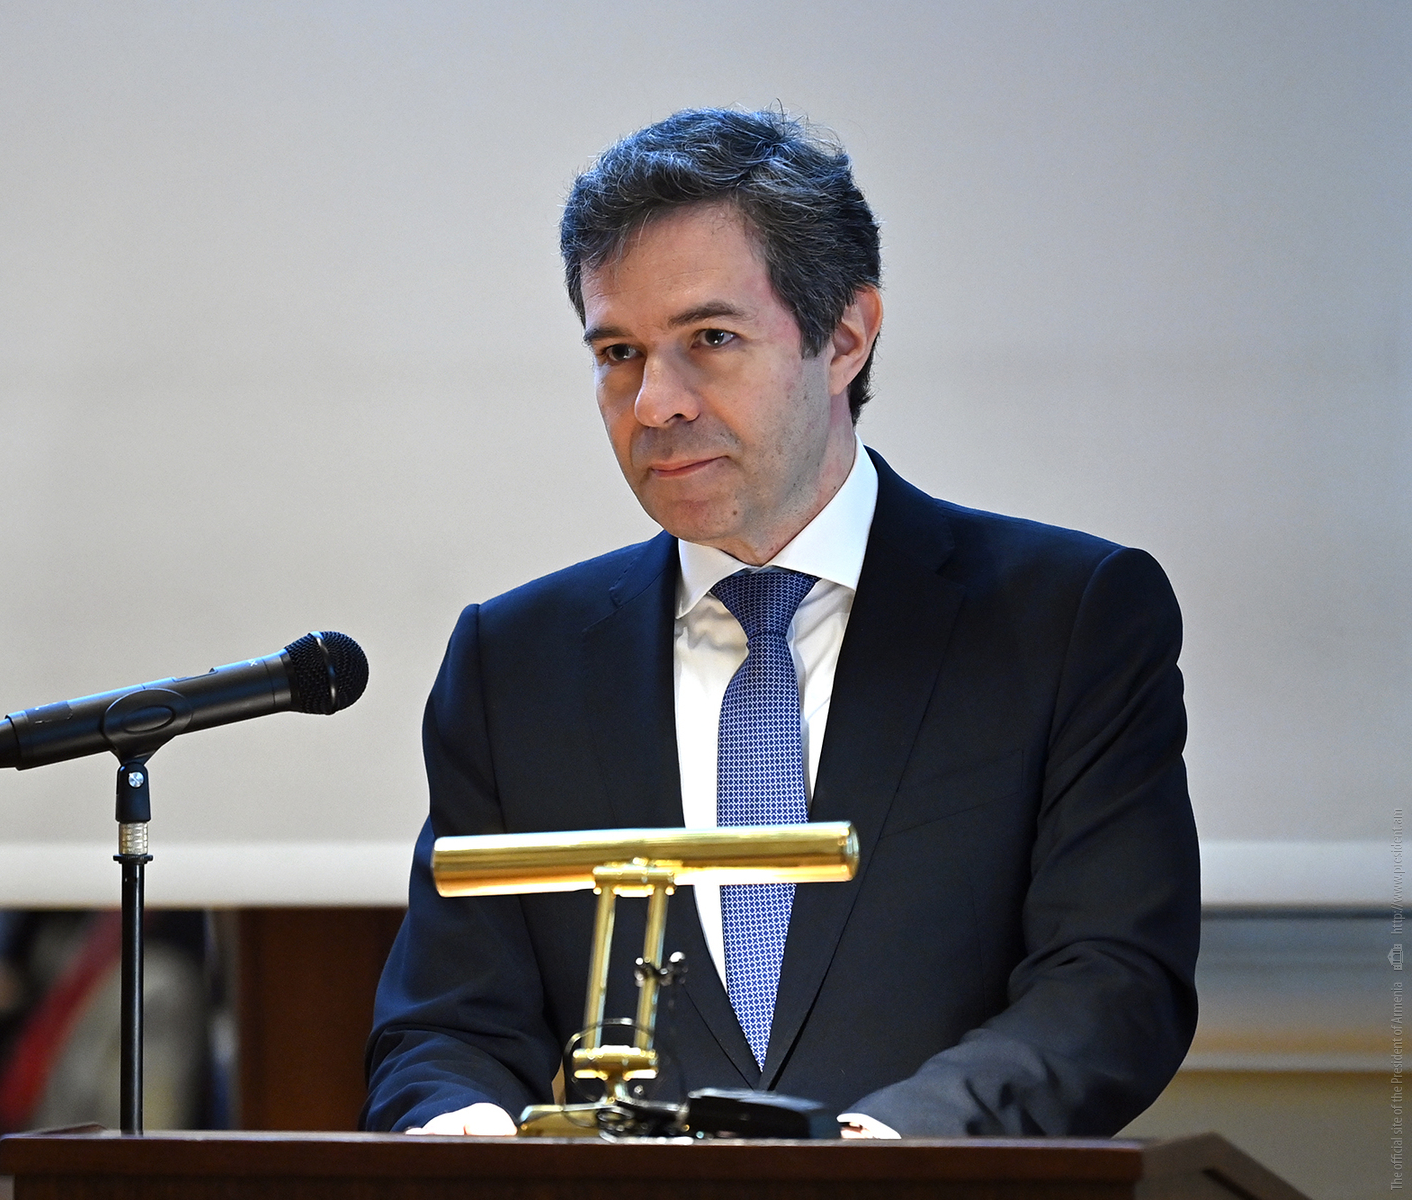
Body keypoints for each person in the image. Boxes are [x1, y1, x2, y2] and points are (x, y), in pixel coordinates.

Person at [363, 108, 1199, 1139]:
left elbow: (1108, 983)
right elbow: (448, 1024)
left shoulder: (1065, 619)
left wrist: (882, 1156)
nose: (653, 403)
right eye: (618, 352)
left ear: (843, 337)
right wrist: (463, 1133)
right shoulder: (514, 663)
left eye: (709, 340)